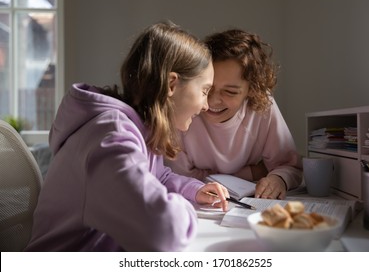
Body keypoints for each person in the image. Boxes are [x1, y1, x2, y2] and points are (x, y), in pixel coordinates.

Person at [25, 21, 229, 252]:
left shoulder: (138, 129)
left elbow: (156, 178)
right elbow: (163, 231)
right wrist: (185, 208)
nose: (205, 105)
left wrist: (193, 190)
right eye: (204, 91)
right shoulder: (111, 138)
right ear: (172, 84)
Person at [165, 29, 302, 200]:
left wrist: (278, 179)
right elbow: (176, 176)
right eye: (207, 89)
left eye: (230, 92)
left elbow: (289, 165)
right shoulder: (187, 109)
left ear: (251, 90)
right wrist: (253, 172)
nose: (212, 102)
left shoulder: (262, 105)